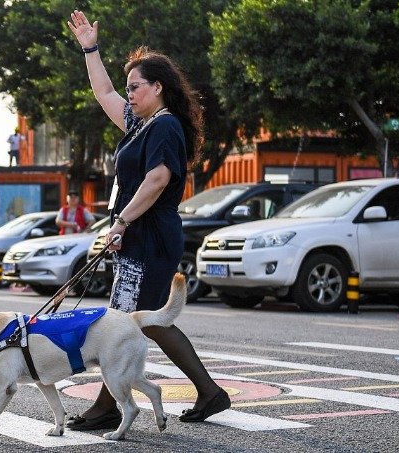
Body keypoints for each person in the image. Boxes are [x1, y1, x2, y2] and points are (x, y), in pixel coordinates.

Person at [66, 10, 231, 430]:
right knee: (138, 322)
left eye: (136, 87)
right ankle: (209, 392)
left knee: (124, 322)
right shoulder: (142, 124)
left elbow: (158, 179)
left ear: (158, 87)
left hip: (151, 237)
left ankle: (108, 408)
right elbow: (103, 92)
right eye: (130, 88)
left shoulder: (166, 126)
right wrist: (90, 48)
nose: (129, 94)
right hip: (140, 235)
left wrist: (120, 222)